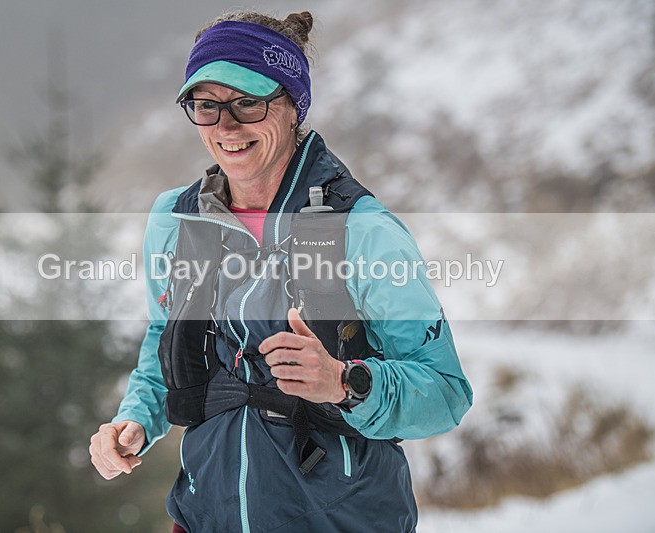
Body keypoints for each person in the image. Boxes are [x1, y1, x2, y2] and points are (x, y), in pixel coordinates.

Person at [90, 10, 472, 532]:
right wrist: (135, 419)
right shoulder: (175, 220)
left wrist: (344, 382)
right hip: (207, 517)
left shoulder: (362, 230)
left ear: (293, 105)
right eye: (206, 105)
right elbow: (167, 339)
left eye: (247, 102)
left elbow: (446, 393)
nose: (225, 126)